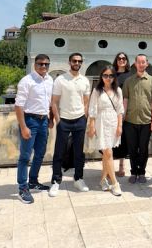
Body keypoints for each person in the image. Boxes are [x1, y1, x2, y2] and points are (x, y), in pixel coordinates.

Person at [49, 53, 91, 197]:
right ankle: (55, 181)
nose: (77, 63)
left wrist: (84, 118)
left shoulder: (84, 81)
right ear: (69, 62)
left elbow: (86, 102)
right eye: (74, 60)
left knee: (79, 153)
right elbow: (54, 102)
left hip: (80, 120)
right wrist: (58, 120)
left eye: (79, 61)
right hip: (64, 121)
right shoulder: (61, 80)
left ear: (81, 63)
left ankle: (78, 178)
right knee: (59, 152)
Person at [15, 54, 54, 204]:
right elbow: (18, 106)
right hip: (29, 120)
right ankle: (22, 188)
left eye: (46, 64)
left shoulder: (50, 80)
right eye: (40, 64)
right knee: (25, 156)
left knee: (40, 153)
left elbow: (50, 102)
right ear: (34, 64)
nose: (43, 67)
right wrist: (23, 126)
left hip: (44, 121)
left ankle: (33, 181)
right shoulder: (27, 81)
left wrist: (50, 118)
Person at [122, 54, 152, 183]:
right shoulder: (129, 81)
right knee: (132, 148)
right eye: (139, 62)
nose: (141, 64)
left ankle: (142, 172)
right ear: (135, 64)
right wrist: (122, 117)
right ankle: (133, 172)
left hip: (146, 120)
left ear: (147, 64)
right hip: (130, 120)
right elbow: (125, 100)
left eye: (143, 62)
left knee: (144, 148)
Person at [88, 66, 124, 196]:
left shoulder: (118, 90)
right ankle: (115, 183)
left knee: (107, 153)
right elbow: (92, 109)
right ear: (101, 76)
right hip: (101, 121)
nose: (108, 78)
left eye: (110, 76)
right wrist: (91, 126)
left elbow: (120, 110)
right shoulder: (97, 91)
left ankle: (103, 180)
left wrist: (120, 126)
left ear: (114, 77)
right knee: (108, 152)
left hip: (113, 122)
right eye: (105, 75)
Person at [112, 52, 131, 177]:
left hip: (125, 111)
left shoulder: (130, 76)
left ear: (127, 61)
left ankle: (121, 166)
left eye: (124, 58)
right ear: (116, 60)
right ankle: (108, 166)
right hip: (110, 110)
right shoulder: (111, 75)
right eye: (119, 58)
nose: (121, 60)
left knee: (122, 139)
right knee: (109, 138)